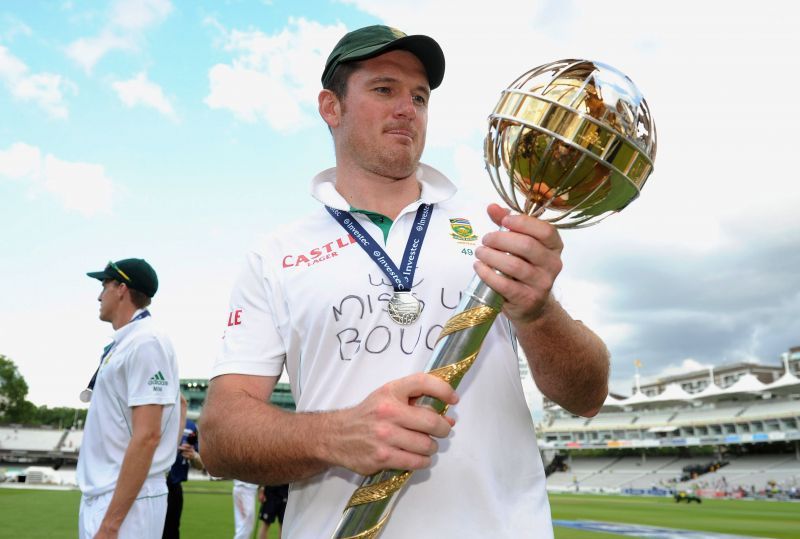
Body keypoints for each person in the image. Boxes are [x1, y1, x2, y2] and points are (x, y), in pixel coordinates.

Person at [200, 25, 609, 538]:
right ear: (332, 107)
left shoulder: (495, 229)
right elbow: (219, 436)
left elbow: (587, 395)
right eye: (384, 89)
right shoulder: (276, 255)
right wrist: (336, 435)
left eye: (419, 96)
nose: (407, 108)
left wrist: (540, 312)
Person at [78, 258, 180, 538]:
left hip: (126, 502)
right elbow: (179, 404)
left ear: (121, 288)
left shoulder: (146, 342)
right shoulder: (127, 342)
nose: (99, 295)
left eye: (104, 285)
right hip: (109, 494)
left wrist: (111, 523)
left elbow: (147, 436)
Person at [162, 396, 204, 539]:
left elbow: (200, 465)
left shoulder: (191, 426)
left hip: (174, 487)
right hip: (151, 483)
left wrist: (193, 456)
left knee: (172, 532)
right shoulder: (156, 419)